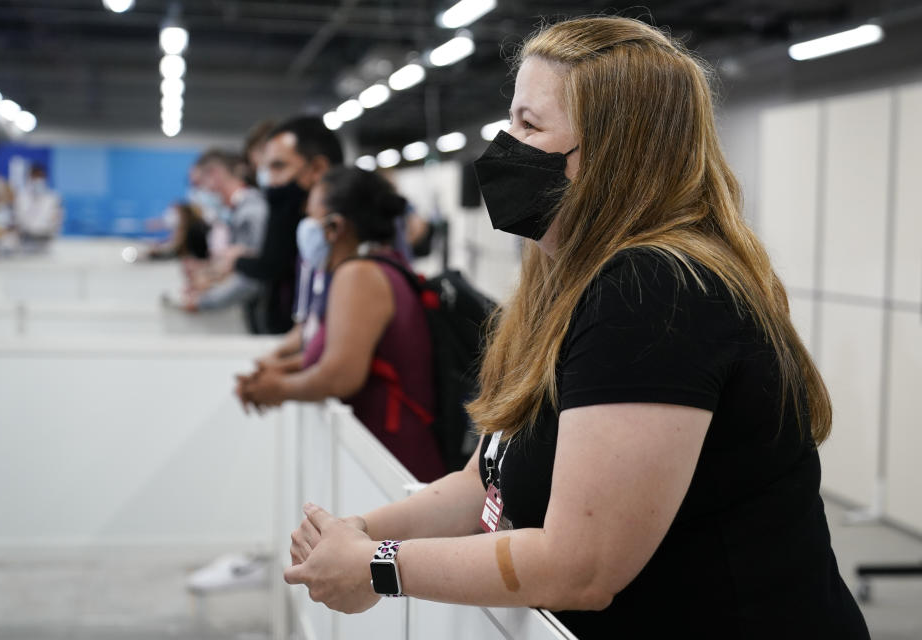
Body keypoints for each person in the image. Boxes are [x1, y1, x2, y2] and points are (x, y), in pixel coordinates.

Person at [281, 16, 870, 640]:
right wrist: (362, 534)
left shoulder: (653, 292)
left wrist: (379, 567)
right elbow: (482, 483)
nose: (503, 145)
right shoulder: (567, 281)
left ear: (614, 152)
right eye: (511, 120)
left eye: (529, 126)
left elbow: (581, 565)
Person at [236, 167, 446, 483]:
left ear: (336, 226)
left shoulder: (359, 275)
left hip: (390, 457)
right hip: (385, 448)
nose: (304, 226)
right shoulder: (375, 266)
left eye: (311, 216)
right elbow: (339, 354)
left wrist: (276, 389)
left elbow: (340, 375)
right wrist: (280, 372)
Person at [231, 116, 344, 334]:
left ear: (318, 168)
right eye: (264, 169)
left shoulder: (345, 237)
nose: (270, 181)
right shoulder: (296, 219)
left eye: (278, 166)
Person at [181, 149, 268, 331]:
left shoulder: (251, 212)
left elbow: (253, 277)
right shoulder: (237, 213)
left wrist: (204, 301)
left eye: (198, 184)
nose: (197, 192)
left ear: (215, 175)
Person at [13, 164, 63, 243]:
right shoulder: (21, 197)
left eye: (40, 177)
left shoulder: (53, 198)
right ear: (29, 178)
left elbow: (57, 219)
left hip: (46, 239)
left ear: (45, 178)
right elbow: (17, 218)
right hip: (25, 239)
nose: (37, 180)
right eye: (34, 177)